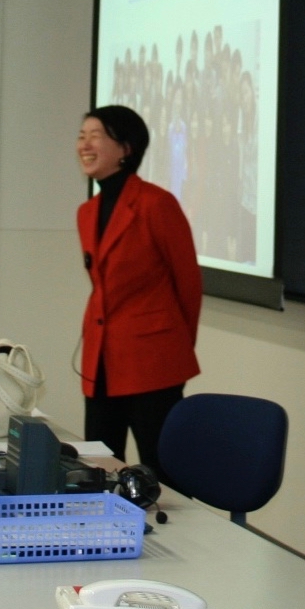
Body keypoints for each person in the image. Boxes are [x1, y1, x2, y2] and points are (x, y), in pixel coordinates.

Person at [76, 105, 202, 478]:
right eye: (81, 136)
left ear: (126, 148)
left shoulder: (156, 204)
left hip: (153, 363)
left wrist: (175, 348)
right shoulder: (87, 212)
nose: (85, 145)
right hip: (100, 360)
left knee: (162, 474)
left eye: (96, 136)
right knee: (99, 469)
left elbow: (189, 284)